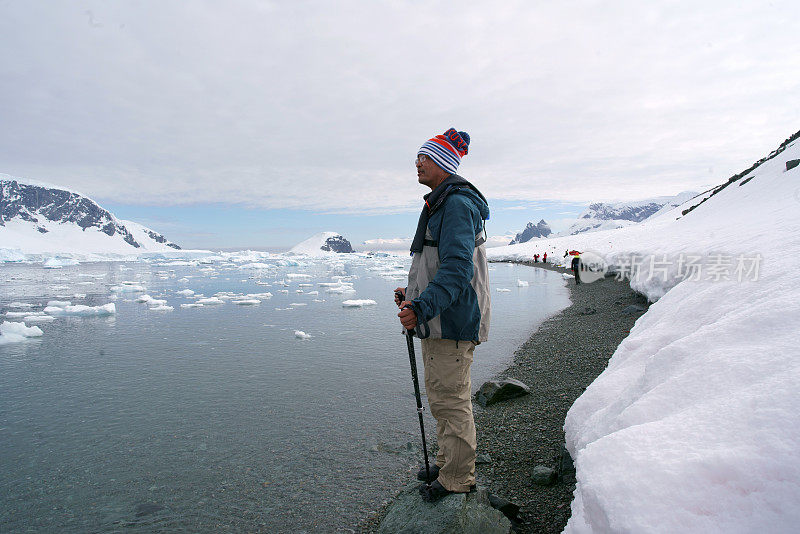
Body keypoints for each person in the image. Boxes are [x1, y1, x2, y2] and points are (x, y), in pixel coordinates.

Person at [394, 128, 490, 503]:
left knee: (451, 399)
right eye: (417, 157)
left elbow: (456, 269)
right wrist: (412, 295)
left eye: (424, 157)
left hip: (452, 320)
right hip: (441, 318)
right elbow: (434, 263)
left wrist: (421, 307)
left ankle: (457, 478)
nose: (417, 163)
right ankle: (448, 460)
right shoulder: (441, 202)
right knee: (441, 395)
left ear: (444, 163)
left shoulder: (456, 204)